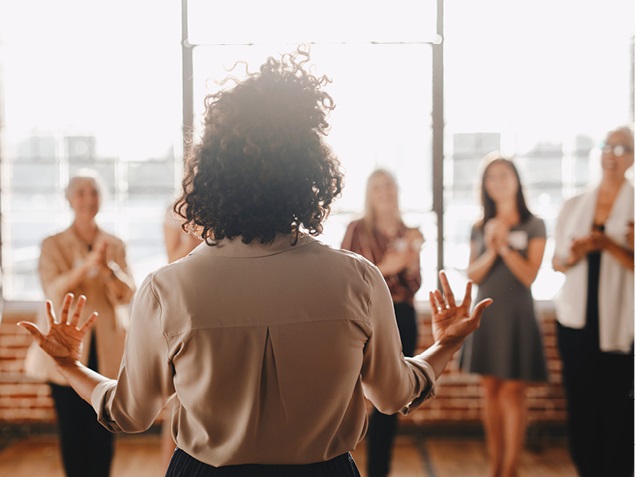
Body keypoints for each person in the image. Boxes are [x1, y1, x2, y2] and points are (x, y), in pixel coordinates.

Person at [18, 48, 492, 477]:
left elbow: (129, 413)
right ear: (311, 175)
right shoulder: (358, 279)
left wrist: (69, 364)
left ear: (208, 177)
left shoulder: (168, 289)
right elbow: (393, 395)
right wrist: (446, 344)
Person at [23, 171, 136, 477]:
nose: (88, 198)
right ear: (70, 199)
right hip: (65, 346)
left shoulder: (115, 243)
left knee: (104, 428)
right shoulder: (52, 244)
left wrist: (108, 268)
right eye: (81, 192)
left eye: (94, 192)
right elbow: (54, 290)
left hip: (108, 349)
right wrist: (87, 266)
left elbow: (128, 294)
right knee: (72, 431)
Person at [551, 126, 634, 477]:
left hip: (620, 325)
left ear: (631, 157)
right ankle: (585, 468)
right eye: (606, 146)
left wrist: (612, 246)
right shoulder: (574, 204)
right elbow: (557, 263)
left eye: (621, 148)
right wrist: (576, 251)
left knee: (617, 407)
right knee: (582, 404)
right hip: (577, 323)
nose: (611, 154)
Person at [460, 154, 548, 477]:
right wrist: (492, 247)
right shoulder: (479, 227)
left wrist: (506, 246)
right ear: (484, 185)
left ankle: (511, 469)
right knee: (491, 390)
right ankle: (495, 466)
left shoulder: (533, 223)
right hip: (488, 314)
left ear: (516, 180)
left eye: (504, 175)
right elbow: (474, 274)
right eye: (491, 176)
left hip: (518, 315)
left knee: (513, 391)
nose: (498, 181)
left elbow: (528, 276)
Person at [340, 168, 424, 477]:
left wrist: (407, 261)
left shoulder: (409, 232)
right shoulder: (356, 229)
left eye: (389, 185)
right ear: (369, 194)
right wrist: (387, 267)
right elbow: (347, 277)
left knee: (393, 399)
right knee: (349, 394)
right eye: (378, 187)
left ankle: (378, 472)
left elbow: (414, 284)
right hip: (364, 316)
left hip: (402, 316)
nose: (385, 192)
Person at [159, 202, 204, 469]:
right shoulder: (177, 209)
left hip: (218, 294)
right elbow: (172, 260)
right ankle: (170, 468)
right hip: (185, 300)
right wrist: (193, 235)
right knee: (178, 399)